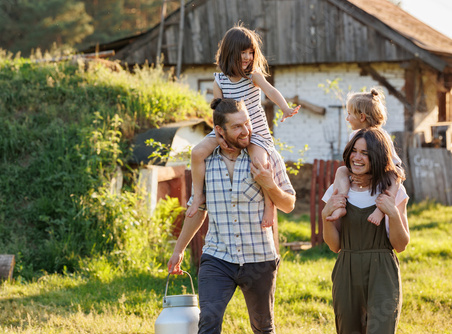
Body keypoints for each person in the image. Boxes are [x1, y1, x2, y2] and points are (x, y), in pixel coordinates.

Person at [168, 98, 296, 334]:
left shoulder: (266, 156)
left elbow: (288, 204)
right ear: (219, 130)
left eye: (246, 123)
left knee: (263, 327)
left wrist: (270, 185)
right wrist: (178, 250)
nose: (246, 130)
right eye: (237, 127)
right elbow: (197, 211)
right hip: (218, 256)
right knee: (208, 321)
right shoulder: (206, 161)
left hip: (259, 258)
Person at [186, 24, 300, 229]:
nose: (248, 57)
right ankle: (197, 196)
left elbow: (271, 91)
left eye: (251, 52)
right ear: (230, 53)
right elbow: (218, 112)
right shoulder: (219, 80)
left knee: (260, 163)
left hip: (255, 131)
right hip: (227, 129)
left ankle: (269, 205)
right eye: (243, 52)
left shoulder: (253, 76)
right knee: (197, 152)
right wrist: (219, 136)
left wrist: (284, 108)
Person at [322, 128, 410, 334]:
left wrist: (393, 214)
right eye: (355, 150)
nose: (357, 158)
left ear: (378, 157)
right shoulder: (337, 189)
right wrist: (325, 215)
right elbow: (334, 246)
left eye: (365, 153)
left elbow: (401, 245)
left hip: (383, 273)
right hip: (347, 270)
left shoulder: (393, 191)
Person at [327, 88, 402, 225]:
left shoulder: (381, 136)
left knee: (395, 177)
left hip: (387, 171)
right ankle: (341, 203)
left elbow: (391, 165)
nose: (347, 118)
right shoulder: (354, 135)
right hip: (366, 171)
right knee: (341, 170)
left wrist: (370, 176)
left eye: (349, 114)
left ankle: (381, 209)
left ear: (361, 117)